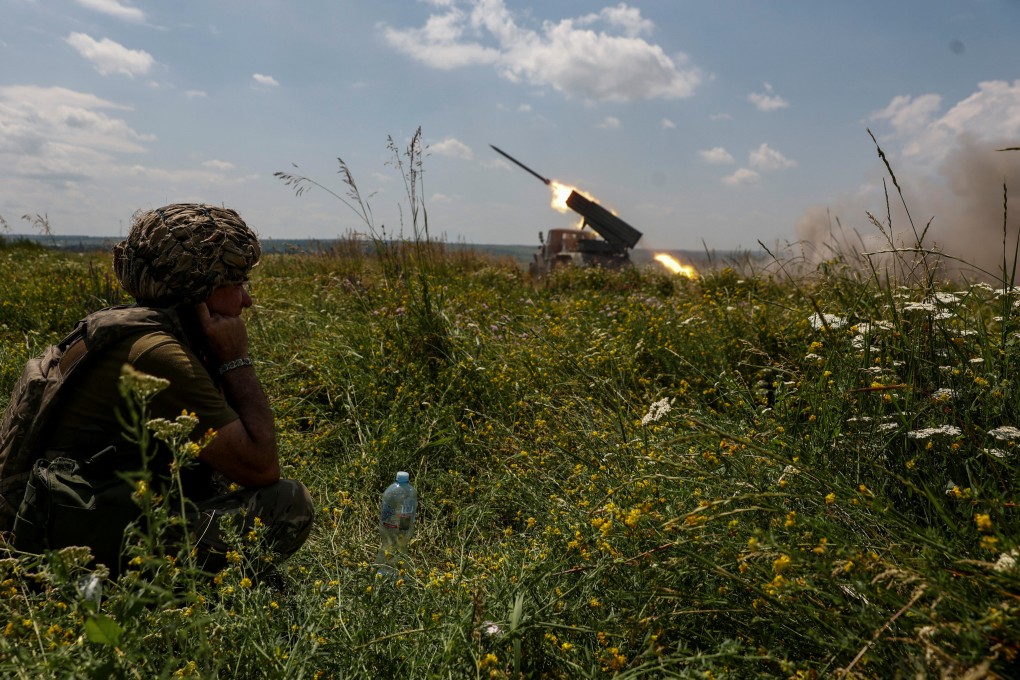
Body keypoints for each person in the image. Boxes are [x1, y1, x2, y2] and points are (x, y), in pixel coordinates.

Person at [0, 203, 313, 573]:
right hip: (63, 542)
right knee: (288, 503)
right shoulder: (157, 353)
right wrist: (236, 359)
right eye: (237, 284)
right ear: (200, 293)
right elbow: (261, 468)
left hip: (55, 517)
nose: (247, 299)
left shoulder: (127, 327)